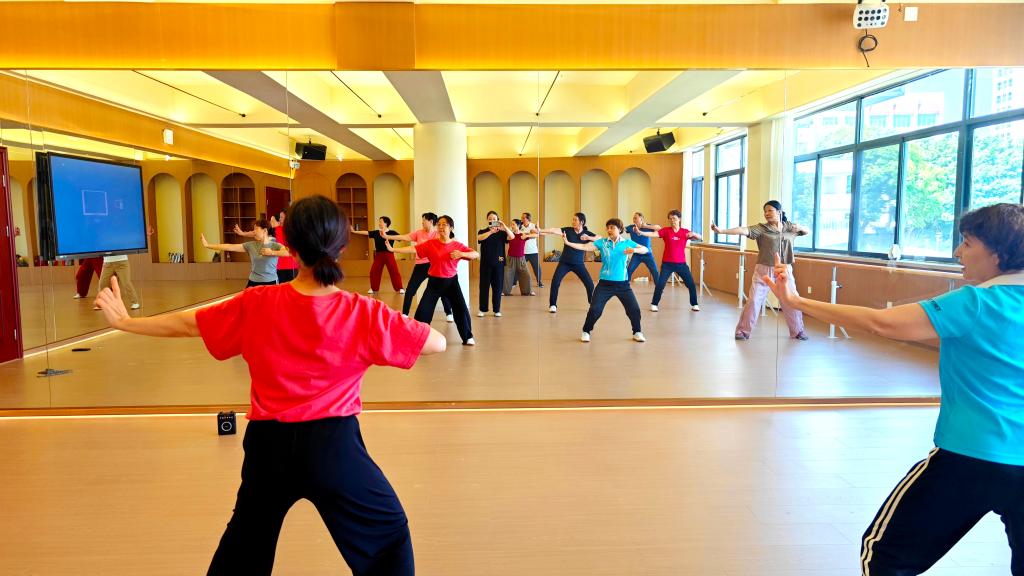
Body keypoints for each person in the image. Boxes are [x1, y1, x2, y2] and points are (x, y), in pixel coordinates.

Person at [94, 194, 447, 575]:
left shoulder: (256, 303)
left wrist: (126, 323)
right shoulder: (362, 311)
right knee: (387, 538)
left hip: (268, 449)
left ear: (288, 247)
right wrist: (387, 327)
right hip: (334, 448)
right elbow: (436, 343)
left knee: (244, 548)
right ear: (342, 247)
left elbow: (188, 323)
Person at [763, 202, 1024, 576]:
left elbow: (880, 323)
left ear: (998, 254)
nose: (957, 252)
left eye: (967, 243)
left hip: (971, 456)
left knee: (885, 556)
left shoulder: (976, 302)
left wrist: (795, 301)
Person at [712, 200, 810, 340]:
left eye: (770, 210)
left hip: (785, 269)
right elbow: (743, 230)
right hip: (764, 270)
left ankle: (798, 331)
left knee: (791, 300)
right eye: (765, 211)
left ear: (779, 212)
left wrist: (799, 227)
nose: (766, 213)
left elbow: (806, 231)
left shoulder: (789, 227)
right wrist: (721, 231)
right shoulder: (762, 228)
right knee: (754, 300)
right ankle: (743, 330)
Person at [387, 215, 479, 345]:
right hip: (434, 283)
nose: (441, 227)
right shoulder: (431, 244)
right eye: (439, 224)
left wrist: (461, 254)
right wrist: (393, 249)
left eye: (444, 224)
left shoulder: (457, 245)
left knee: (461, 310)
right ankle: (417, 337)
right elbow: (414, 249)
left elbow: (476, 254)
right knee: (423, 310)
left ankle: (467, 337)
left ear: (451, 228)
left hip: (452, 282)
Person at [562, 218, 649, 343]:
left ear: (619, 229)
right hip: (604, 284)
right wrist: (568, 243)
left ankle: (637, 332)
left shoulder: (627, 242)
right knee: (595, 309)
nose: (609, 230)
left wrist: (634, 250)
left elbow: (645, 249)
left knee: (634, 309)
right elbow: (584, 246)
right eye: (607, 228)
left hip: (623, 285)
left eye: (612, 227)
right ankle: (586, 331)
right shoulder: (602, 242)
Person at [633, 210, 703, 312]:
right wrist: (640, 232)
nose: (672, 221)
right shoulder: (666, 231)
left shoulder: (685, 232)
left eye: (674, 218)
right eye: (670, 219)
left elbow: (700, 238)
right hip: (667, 264)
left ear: (679, 219)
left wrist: (695, 234)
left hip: (681, 264)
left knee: (691, 284)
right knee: (660, 284)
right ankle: (654, 304)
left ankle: (695, 304)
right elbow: (653, 234)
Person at [389, 212, 454, 321]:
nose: (422, 222)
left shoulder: (438, 234)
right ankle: (405, 314)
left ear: (431, 221)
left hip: (434, 265)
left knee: (442, 289)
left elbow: (450, 241)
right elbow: (405, 237)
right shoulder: (419, 233)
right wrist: (388, 236)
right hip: (420, 266)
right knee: (410, 290)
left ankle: (449, 313)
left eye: (424, 220)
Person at [538, 212, 599, 313]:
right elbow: (553, 230)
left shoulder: (586, 233)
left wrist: (588, 238)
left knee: (590, 284)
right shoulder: (568, 230)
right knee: (555, 282)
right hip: (564, 263)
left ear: (581, 222)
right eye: (573, 220)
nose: (573, 222)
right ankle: (553, 305)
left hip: (579, 264)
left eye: (575, 220)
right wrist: (541, 230)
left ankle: (591, 304)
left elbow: (600, 238)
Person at [202, 219, 287, 288]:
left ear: (265, 230)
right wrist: (208, 245)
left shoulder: (274, 245)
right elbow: (229, 246)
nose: (253, 231)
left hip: (270, 282)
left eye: (256, 229)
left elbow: (288, 252)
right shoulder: (250, 245)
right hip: (253, 281)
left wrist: (272, 252)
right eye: (253, 229)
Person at [234, 210, 299, 284]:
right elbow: (256, 232)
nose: (279, 219)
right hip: (277, 267)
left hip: (291, 266)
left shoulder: (294, 231)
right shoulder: (275, 229)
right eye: (280, 217)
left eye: (282, 217)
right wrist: (243, 233)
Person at [350, 216, 405, 295]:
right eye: (379, 222)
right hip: (379, 255)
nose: (379, 223)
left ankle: (400, 288)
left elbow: (401, 238)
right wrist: (354, 231)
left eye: (381, 222)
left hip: (389, 254)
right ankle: (374, 288)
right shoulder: (376, 232)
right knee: (374, 271)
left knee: (394, 271)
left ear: (386, 223)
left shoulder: (392, 232)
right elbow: (366, 232)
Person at [476, 211, 514, 317]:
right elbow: (479, 238)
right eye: (490, 218)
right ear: (487, 220)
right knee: (484, 287)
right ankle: (482, 309)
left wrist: (504, 226)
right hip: (485, 264)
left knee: (497, 288)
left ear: (497, 220)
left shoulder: (502, 233)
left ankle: (497, 310)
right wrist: (491, 232)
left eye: (494, 219)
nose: (492, 220)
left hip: (499, 264)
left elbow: (512, 237)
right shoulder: (483, 231)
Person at [624, 212, 660, 283]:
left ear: (641, 219)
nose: (634, 220)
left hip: (648, 254)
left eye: (635, 218)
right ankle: (625, 286)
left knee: (655, 271)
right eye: (633, 218)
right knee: (629, 270)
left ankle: (659, 288)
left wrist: (645, 226)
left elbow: (659, 228)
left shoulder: (647, 226)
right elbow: (622, 229)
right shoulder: (631, 227)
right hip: (637, 255)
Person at [504, 219, 536, 297]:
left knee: (526, 275)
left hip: (521, 259)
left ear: (518, 225)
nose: (512, 226)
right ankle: (505, 292)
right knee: (507, 275)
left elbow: (536, 235)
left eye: (513, 224)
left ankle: (527, 291)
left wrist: (527, 236)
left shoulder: (523, 235)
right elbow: (508, 237)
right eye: (511, 224)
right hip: (510, 259)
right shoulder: (510, 235)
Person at [520, 212, 544, 288]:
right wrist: (528, 234)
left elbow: (537, 235)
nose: (522, 219)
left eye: (523, 217)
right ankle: (514, 282)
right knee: (518, 267)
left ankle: (539, 282)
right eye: (522, 217)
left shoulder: (533, 226)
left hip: (533, 251)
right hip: (522, 252)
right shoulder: (520, 226)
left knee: (537, 268)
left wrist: (526, 235)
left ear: (528, 219)